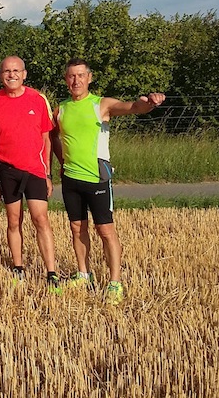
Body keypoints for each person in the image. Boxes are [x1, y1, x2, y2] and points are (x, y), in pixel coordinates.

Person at [52, 58, 165, 305]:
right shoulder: (60, 109)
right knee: (76, 228)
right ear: (65, 79)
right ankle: (84, 274)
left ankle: (115, 282)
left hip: (97, 179)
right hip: (71, 178)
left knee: (105, 230)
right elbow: (52, 137)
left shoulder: (101, 105)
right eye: (71, 76)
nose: (76, 80)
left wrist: (149, 103)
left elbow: (133, 107)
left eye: (81, 75)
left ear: (89, 78)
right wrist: (61, 161)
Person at [0, 56, 61, 292]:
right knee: (13, 220)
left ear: (24, 74)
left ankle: (51, 272)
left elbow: (46, 138)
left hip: (35, 170)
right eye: (7, 71)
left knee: (41, 219)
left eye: (16, 71)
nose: (12, 75)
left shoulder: (38, 99)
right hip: (7, 171)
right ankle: (17, 268)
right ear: (1, 75)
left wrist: (48, 173)